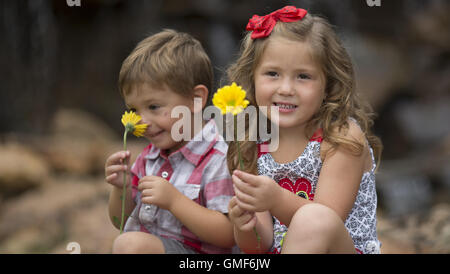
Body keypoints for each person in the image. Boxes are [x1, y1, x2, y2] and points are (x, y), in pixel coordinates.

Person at [226, 6, 383, 254]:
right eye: (272, 74)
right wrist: (245, 226)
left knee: (313, 218)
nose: (286, 88)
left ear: (328, 85)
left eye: (303, 76)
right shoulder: (251, 142)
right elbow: (259, 246)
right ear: (251, 78)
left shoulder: (340, 138)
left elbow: (324, 224)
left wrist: (275, 199)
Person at [105, 29, 235, 254]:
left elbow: (229, 235)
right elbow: (120, 222)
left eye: (154, 107)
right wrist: (121, 189)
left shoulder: (217, 158)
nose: (142, 121)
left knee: (130, 246)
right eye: (134, 110)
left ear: (196, 100)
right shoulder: (149, 157)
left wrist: (175, 202)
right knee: (126, 242)